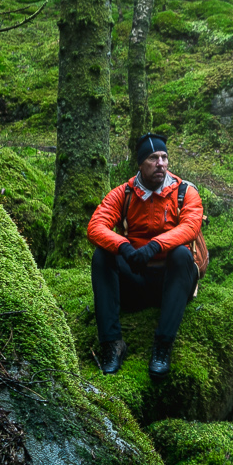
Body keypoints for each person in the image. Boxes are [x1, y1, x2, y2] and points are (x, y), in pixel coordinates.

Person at [87, 133, 208, 376]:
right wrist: (123, 247)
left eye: (164, 157)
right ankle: (112, 344)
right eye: (153, 158)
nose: (160, 163)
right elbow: (96, 226)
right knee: (102, 256)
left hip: (172, 283)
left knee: (182, 255)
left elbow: (191, 227)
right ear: (140, 164)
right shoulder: (124, 194)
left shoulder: (185, 192)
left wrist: (155, 246)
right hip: (137, 279)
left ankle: (162, 346)